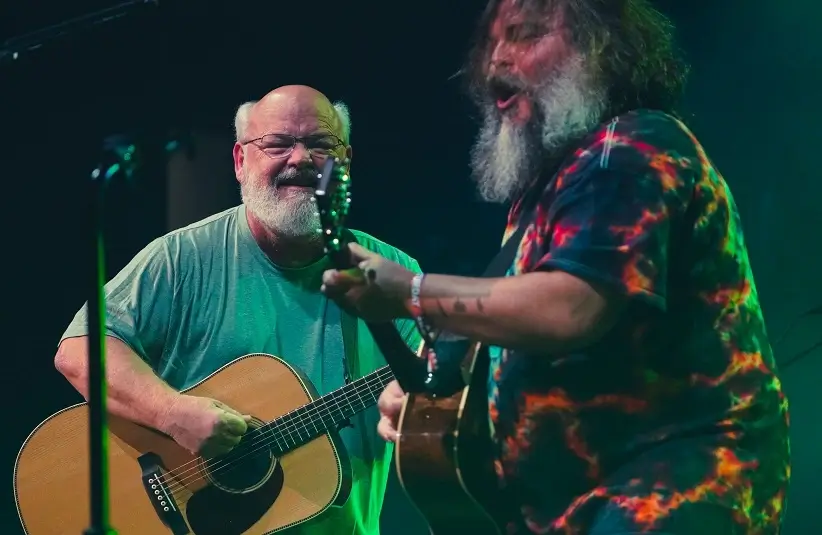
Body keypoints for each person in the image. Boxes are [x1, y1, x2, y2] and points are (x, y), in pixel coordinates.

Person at [320, 1, 791, 534]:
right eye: (493, 42)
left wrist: (413, 291)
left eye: (526, 35)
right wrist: (424, 393)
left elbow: (572, 307)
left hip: (672, 488)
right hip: (578, 503)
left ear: (597, 49)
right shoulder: (548, 193)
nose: (497, 60)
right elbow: (517, 327)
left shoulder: (630, 148)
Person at [54, 84, 422, 534]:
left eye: (321, 144)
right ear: (240, 161)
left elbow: (436, 399)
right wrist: (172, 413)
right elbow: (78, 351)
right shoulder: (183, 258)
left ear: (345, 163)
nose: (301, 158)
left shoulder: (393, 272)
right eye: (278, 144)